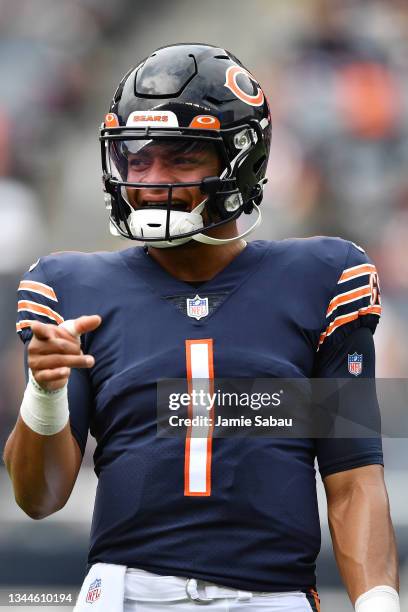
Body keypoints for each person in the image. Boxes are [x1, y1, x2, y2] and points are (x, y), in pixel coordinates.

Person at [3, 43, 399, 612]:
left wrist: (377, 602)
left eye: (181, 158)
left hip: (274, 596)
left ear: (243, 160)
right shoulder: (73, 287)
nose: (151, 181)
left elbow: (353, 476)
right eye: (137, 159)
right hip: (124, 592)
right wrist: (44, 394)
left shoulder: (320, 279)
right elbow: (39, 500)